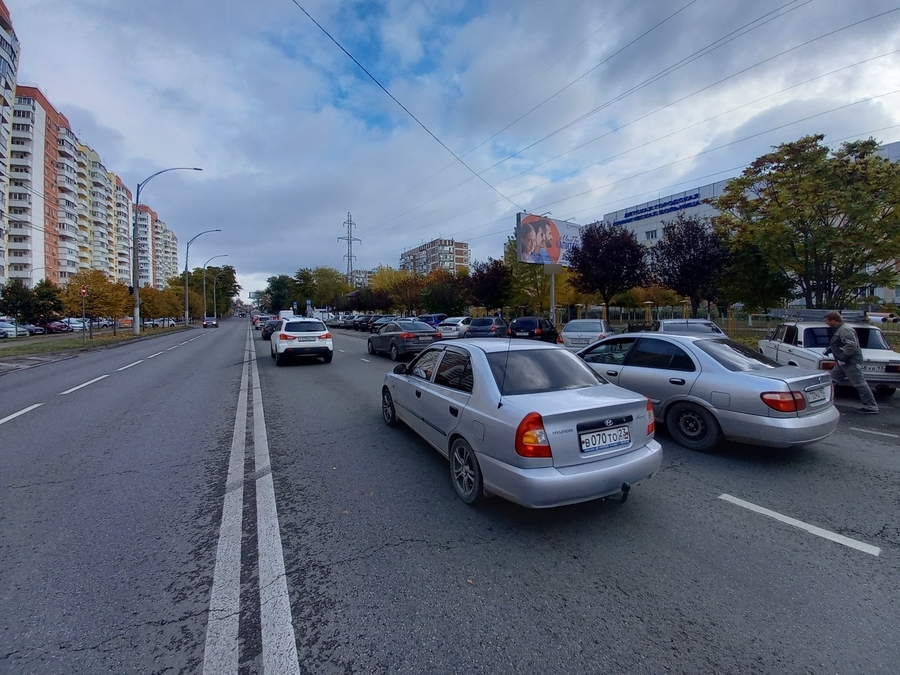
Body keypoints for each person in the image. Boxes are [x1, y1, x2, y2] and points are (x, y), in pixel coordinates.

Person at [823, 311, 878, 413]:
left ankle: (871, 406)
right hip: (843, 362)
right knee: (830, 382)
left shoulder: (845, 329)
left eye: (827, 321)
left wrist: (843, 358)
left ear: (833, 321)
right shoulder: (840, 329)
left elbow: (851, 345)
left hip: (850, 362)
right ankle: (823, 402)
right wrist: (830, 349)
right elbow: (841, 343)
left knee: (859, 384)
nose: (827, 324)